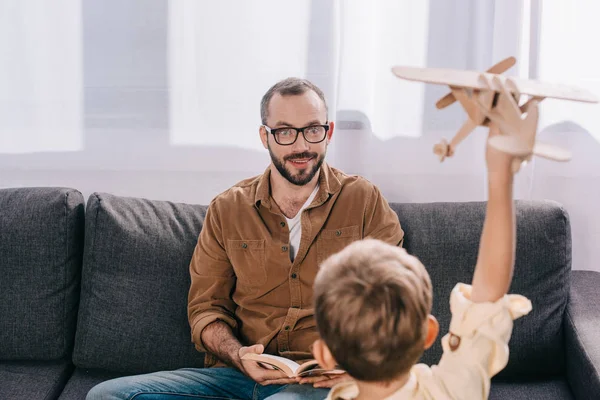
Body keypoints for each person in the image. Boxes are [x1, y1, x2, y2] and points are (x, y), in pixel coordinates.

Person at [86, 77, 404, 399]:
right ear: (265, 137)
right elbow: (206, 309)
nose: (301, 146)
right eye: (284, 132)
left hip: (318, 380)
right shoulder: (228, 209)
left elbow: (396, 298)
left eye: (312, 129)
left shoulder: (363, 200)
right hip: (236, 376)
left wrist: (358, 363)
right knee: (107, 396)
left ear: (328, 132)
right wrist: (238, 355)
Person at [311, 125, 532, 399]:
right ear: (428, 333)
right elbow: (488, 293)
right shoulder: (449, 392)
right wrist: (501, 178)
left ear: (324, 354)